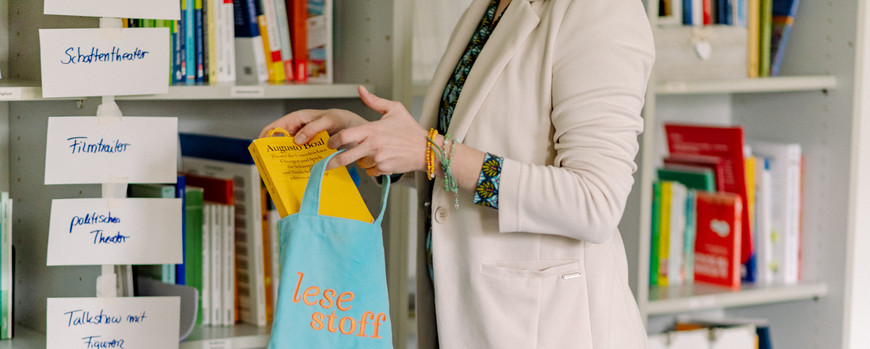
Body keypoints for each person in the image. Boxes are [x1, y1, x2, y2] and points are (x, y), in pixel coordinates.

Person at [259, 0, 655, 347]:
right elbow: (456, 155)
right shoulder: (486, 9)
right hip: (464, 313)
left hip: (546, 328)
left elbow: (595, 203)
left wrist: (432, 151)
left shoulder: (602, 10)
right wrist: (366, 138)